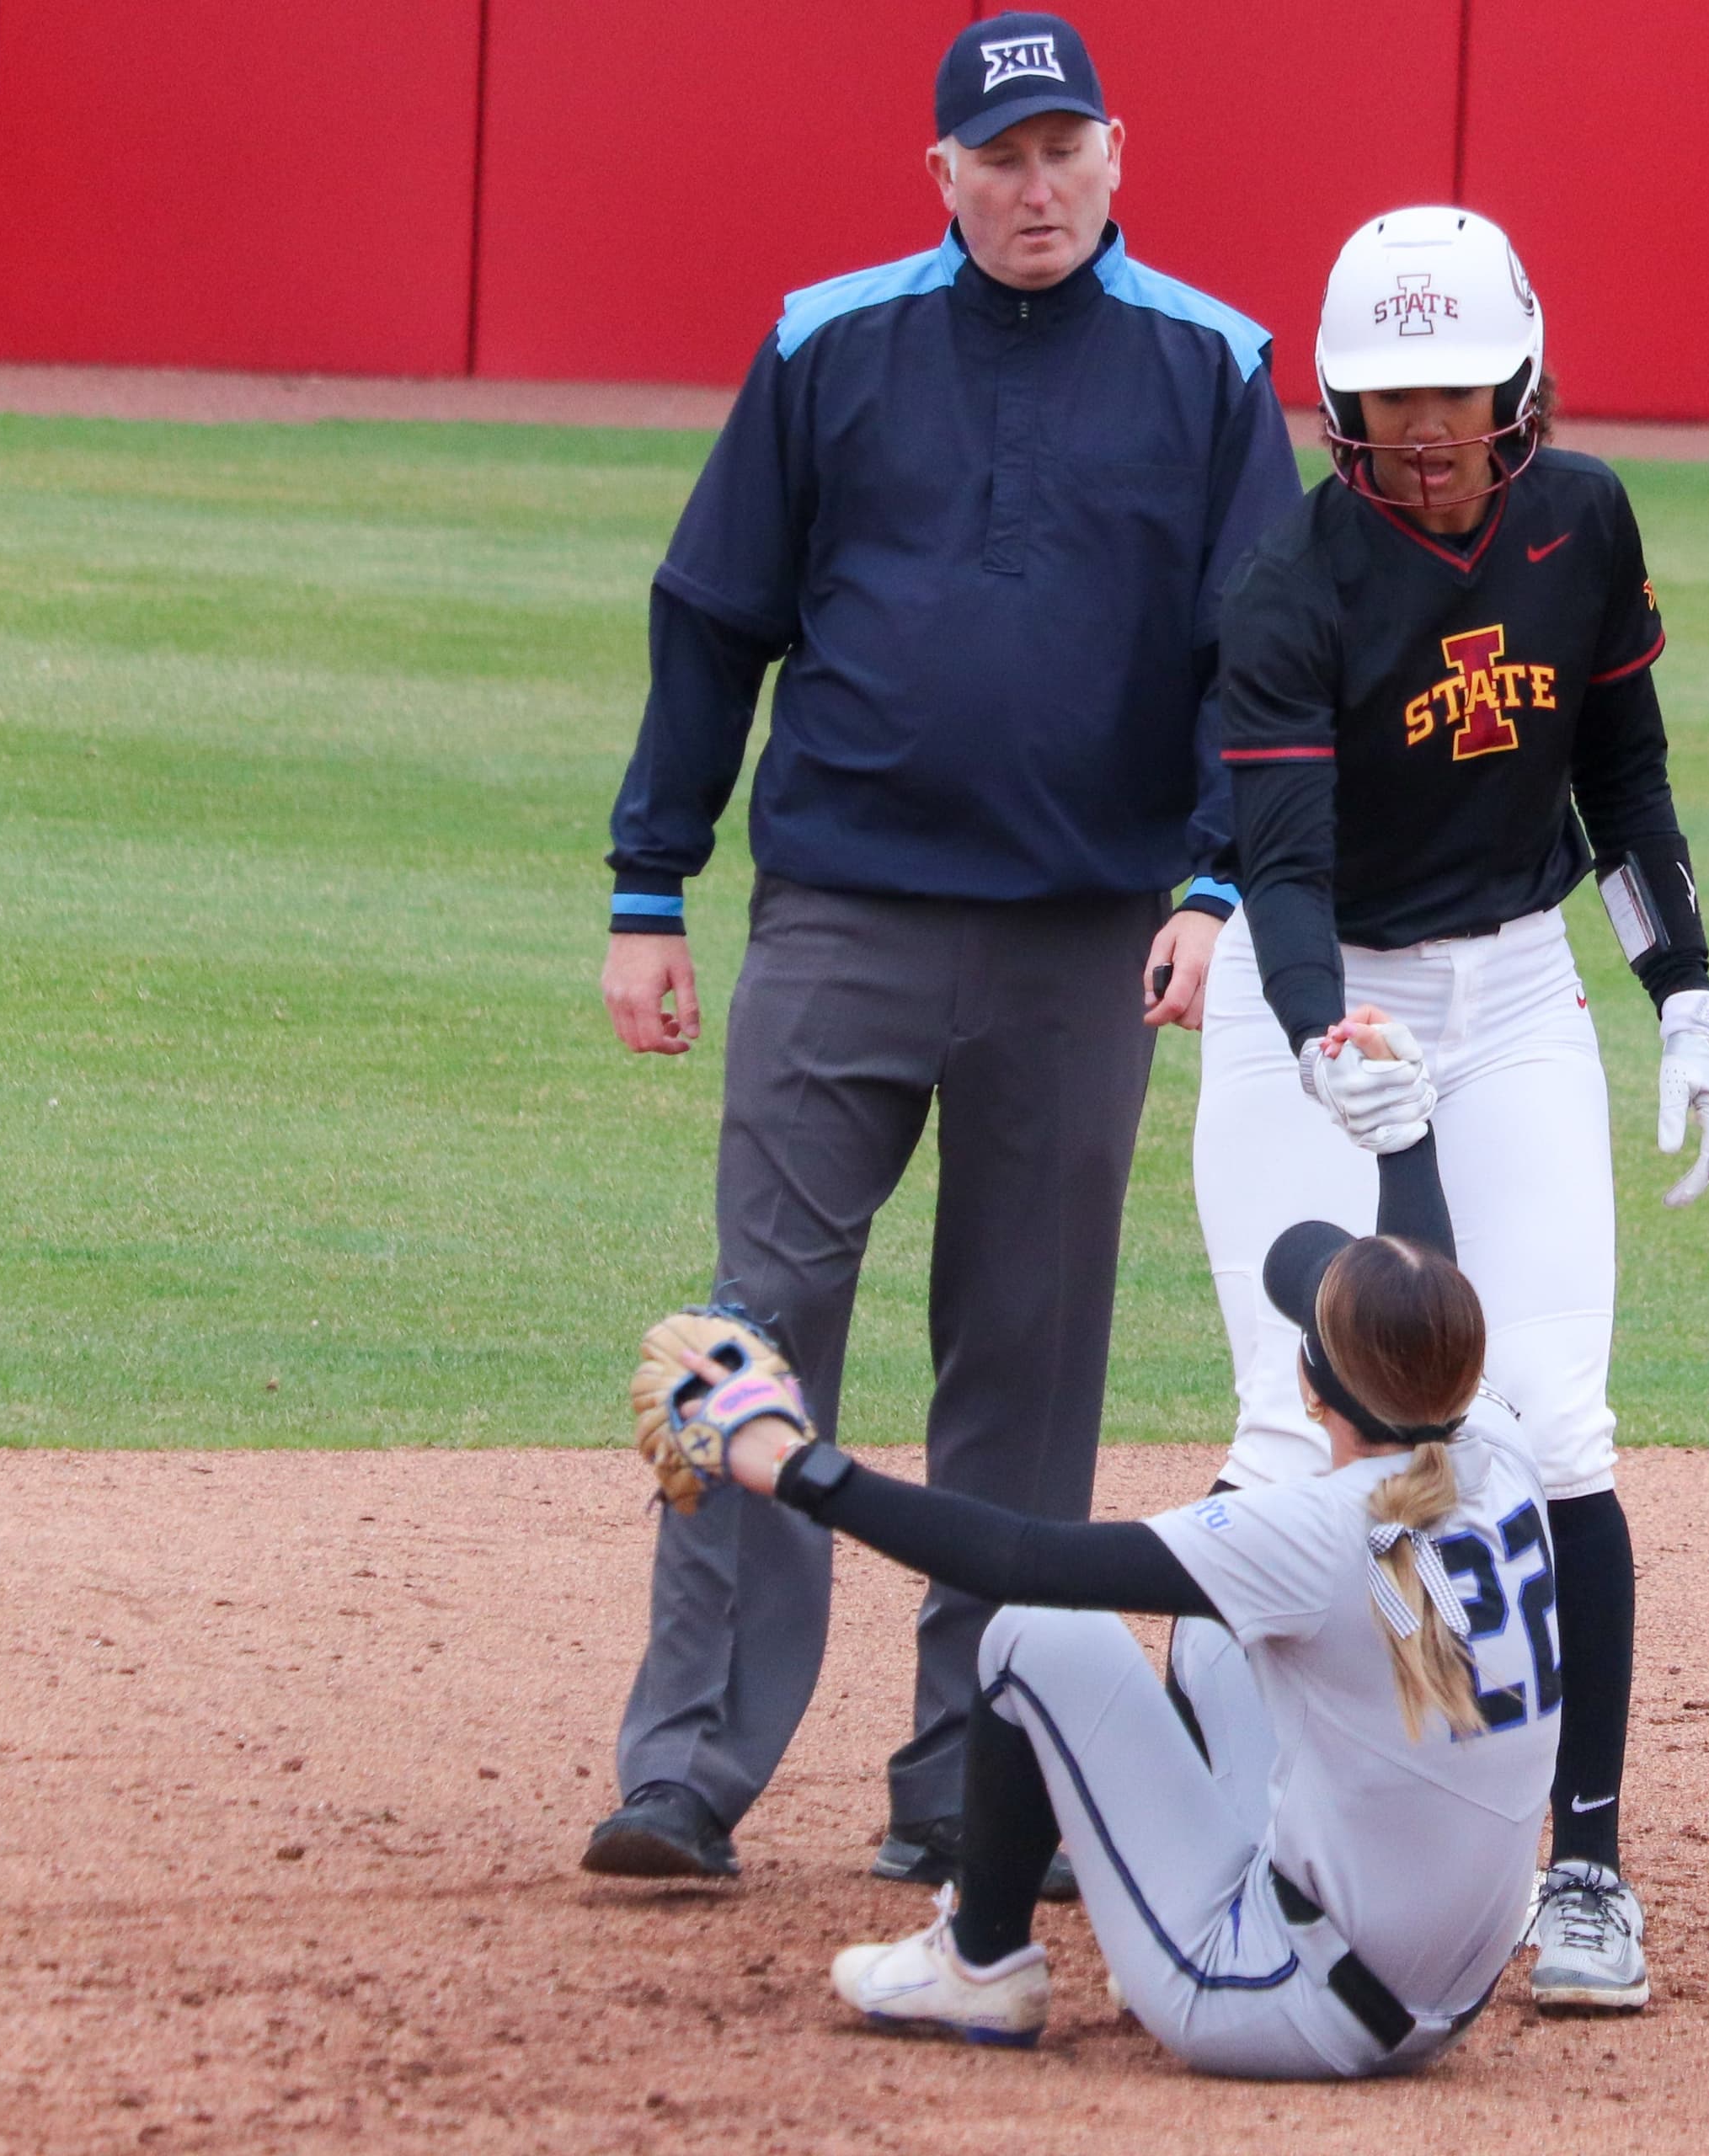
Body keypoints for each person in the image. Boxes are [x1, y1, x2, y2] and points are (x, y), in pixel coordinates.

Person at [582, 10, 1300, 1890]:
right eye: (1001, 157)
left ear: (1117, 158)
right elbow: (711, 613)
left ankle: (965, 1785)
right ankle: (686, 1767)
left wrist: (1214, 887)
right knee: (759, 1326)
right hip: (842, 912)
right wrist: (650, 886)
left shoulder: (1214, 363)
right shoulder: (830, 342)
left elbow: (1257, 660)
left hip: (1085, 937)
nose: (1036, 185)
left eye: (1065, 151)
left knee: (1028, 1361)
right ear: (944, 175)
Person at [1188, 205, 1709, 2015]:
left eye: (1454, 391)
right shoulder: (1293, 584)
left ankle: (1578, 1860)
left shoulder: (1582, 519)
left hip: (1510, 999)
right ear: (1337, 406)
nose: (1424, 429)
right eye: (1384, 396)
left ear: (1519, 383)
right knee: (1300, 1425)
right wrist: (1317, 1028)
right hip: (1321, 993)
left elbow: (1625, 776)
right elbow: (1274, 864)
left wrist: (1686, 995)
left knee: (1554, 1418)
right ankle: (1240, 1830)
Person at [649, 1033, 1562, 2079]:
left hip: (1290, 2006)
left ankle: (980, 1961)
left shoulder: (1315, 1531)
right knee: (1217, 1646)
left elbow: (1025, 1557)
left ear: (1311, 1392)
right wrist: (1408, 1142)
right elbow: (1426, 1288)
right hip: (1443, 1986)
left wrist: (793, 1466)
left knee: (1031, 1639)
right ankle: (1186, 1900)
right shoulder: (1495, 1448)